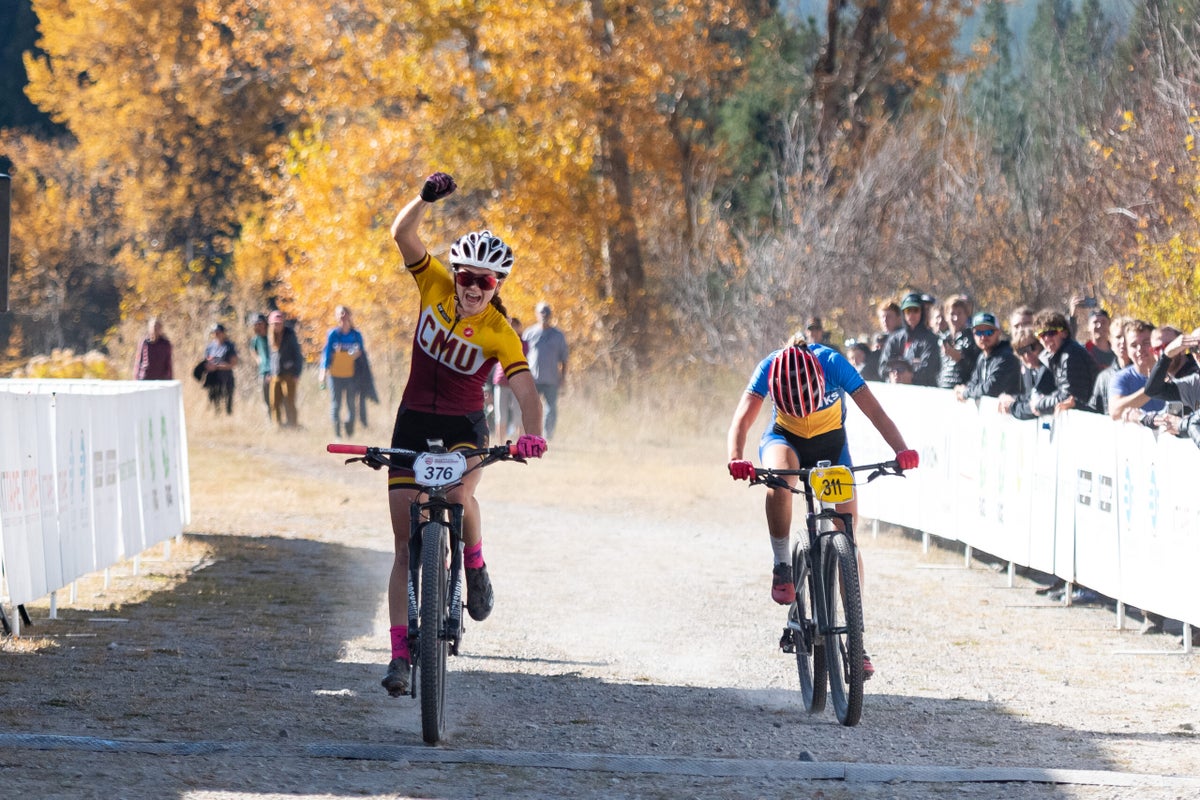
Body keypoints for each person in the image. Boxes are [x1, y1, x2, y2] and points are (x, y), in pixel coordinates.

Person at [382, 170, 546, 696]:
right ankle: (400, 655)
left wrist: (533, 432)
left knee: (458, 494)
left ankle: (473, 563)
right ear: (454, 275)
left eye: (486, 281)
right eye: (466, 277)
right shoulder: (431, 284)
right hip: (412, 419)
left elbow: (524, 388)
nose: (473, 288)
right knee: (405, 543)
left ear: (497, 286)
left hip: (463, 426)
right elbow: (402, 236)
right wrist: (424, 199)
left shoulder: (501, 332)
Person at [726, 333, 919, 680]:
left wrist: (901, 450)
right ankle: (783, 562)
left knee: (847, 531)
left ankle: (856, 641)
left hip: (832, 444)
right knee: (781, 480)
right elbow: (742, 420)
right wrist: (736, 458)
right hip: (784, 440)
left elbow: (875, 410)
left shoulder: (831, 363)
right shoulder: (768, 366)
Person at [1030, 308, 1098, 415]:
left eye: (1051, 333)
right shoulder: (1059, 355)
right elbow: (1063, 393)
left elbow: (1069, 398)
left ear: (1064, 333)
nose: (1046, 339)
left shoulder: (1071, 355)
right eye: (1041, 335)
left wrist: (1039, 404)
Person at [523, 300, 569, 440]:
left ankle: (548, 436)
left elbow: (564, 359)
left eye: (547, 312)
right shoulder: (529, 333)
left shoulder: (558, 335)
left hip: (551, 378)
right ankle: (532, 435)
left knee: (551, 409)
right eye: (542, 312)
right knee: (532, 408)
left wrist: (563, 377)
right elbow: (521, 355)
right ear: (536, 314)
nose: (545, 315)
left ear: (551, 315)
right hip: (533, 379)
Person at [319, 305, 366, 438]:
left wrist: (354, 353)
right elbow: (326, 355)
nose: (343, 316)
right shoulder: (333, 334)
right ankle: (337, 434)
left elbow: (361, 353)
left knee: (351, 404)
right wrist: (322, 374)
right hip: (334, 375)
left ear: (350, 316)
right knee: (336, 404)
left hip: (351, 375)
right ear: (336, 316)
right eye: (340, 314)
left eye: (345, 313)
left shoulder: (356, 335)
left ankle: (349, 430)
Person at [879, 292, 940, 386]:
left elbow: (928, 368)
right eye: (908, 311)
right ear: (903, 313)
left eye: (915, 310)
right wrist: (894, 372)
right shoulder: (895, 338)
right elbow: (883, 367)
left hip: (921, 391)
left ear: (922, 312)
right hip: (895, 391)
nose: (911, 314)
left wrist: (909, 374)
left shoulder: (930, 339)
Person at [955, 312, 1021, 401]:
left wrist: (966, 392)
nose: (983, 337)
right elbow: (973, 382)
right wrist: (964, 389)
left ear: (999, 332)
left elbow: (991, 388)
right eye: (978, 332)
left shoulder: (1007, 356)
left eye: (989, 332)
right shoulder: (982, 356)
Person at [997, 327, 1056, 420]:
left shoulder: (1049, 368)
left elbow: (1034, 407)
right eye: (1021, 351)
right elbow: (1030, 396)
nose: (1027, 355)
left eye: (1031, 348)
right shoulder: (1032, 369)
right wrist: (1013, 398)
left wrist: (1012, 407)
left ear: (1041, 345)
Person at [267, 310, 304, 428]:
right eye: (274, 323)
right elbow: (270, 356)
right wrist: (269, 372)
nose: (277, 325)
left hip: (289, 374)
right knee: (274, 402)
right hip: (275, 374)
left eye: (279, 323)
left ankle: (293, 424)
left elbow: (298, 355)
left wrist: (297, 373)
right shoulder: (270, 336)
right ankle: (277, 425)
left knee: (290, 401)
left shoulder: (290, 334)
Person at [493, 316, 528, 439]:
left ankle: (521, 442)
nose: (513, 328)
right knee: (501, 415)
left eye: (515, 326)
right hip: (501, 381)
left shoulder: (524, 344)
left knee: (519, 415)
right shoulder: (501, 340)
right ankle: (500, 443)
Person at [937, 295, 979, 390]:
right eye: (952, 314)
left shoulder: (972, 338)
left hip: (962, 392)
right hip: (942, 389)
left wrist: (960, 359)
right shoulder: (942, 339)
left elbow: (977, 369)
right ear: (946, 316)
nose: (955, 318)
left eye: (959, 314)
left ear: (966, 315)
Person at [202, 323, 238, 414]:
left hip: (226, 377)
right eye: (214, 332)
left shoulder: (229, 346)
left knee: (227, 402)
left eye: (218, 332)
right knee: (215, 403)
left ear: (223, 333)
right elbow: (206, 361)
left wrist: (218, 366)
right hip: (213, 378)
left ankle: (229, 421)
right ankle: (217, 420)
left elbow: (233, 363)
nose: (216, 334)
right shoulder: (210, 347)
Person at [249, 313, 272, 417]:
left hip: (275, 371)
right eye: (255, 324)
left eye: (260, 323)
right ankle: (270, 421)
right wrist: (257, 359)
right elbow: (252, 349)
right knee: (266, 399)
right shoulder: (255, 339)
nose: (258, 326)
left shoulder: (272, 336)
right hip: (263, 372)